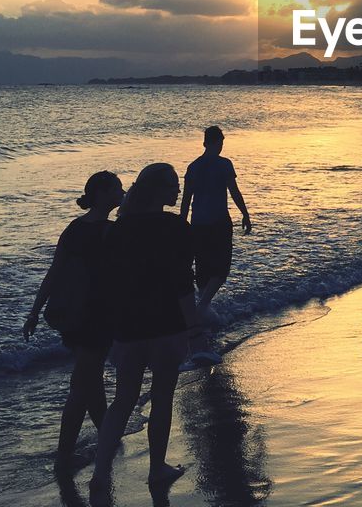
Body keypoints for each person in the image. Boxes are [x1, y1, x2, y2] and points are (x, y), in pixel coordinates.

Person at [90, 163, 200, 505]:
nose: (178, 191)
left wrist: (110, 326)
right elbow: (183, 282)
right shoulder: (175, 226)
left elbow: (107, 283)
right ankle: (156, 469)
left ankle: (99, 473)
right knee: (162, 397)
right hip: (166, 324)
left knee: (123, 399)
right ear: (158, 189)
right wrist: (195, 328)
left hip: (129, 325)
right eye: (173, 186)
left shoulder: (118, 229)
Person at [23, 170, 124, 472]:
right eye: (117, 188)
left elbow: (54, 273)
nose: (122, 191)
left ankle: (109, 437)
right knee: (82, 386)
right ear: (103, 193)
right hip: (97, 317)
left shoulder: (74, 228)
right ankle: (63, 457)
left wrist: (34, 311)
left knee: (90, 381)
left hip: (72, 316)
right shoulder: (112, 231)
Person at [180, 125, 252, 324]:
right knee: (221, 268)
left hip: (198, 223)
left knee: (203, 268)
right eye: (220, 143)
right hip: (219, 221)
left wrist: (181, 223)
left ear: (204, 143)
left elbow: (186, 199)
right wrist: (245, 214)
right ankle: (202, 307)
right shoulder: (224, 164)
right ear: (219, 143)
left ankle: (203, 312)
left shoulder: (193, 167)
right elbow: (234, 192)